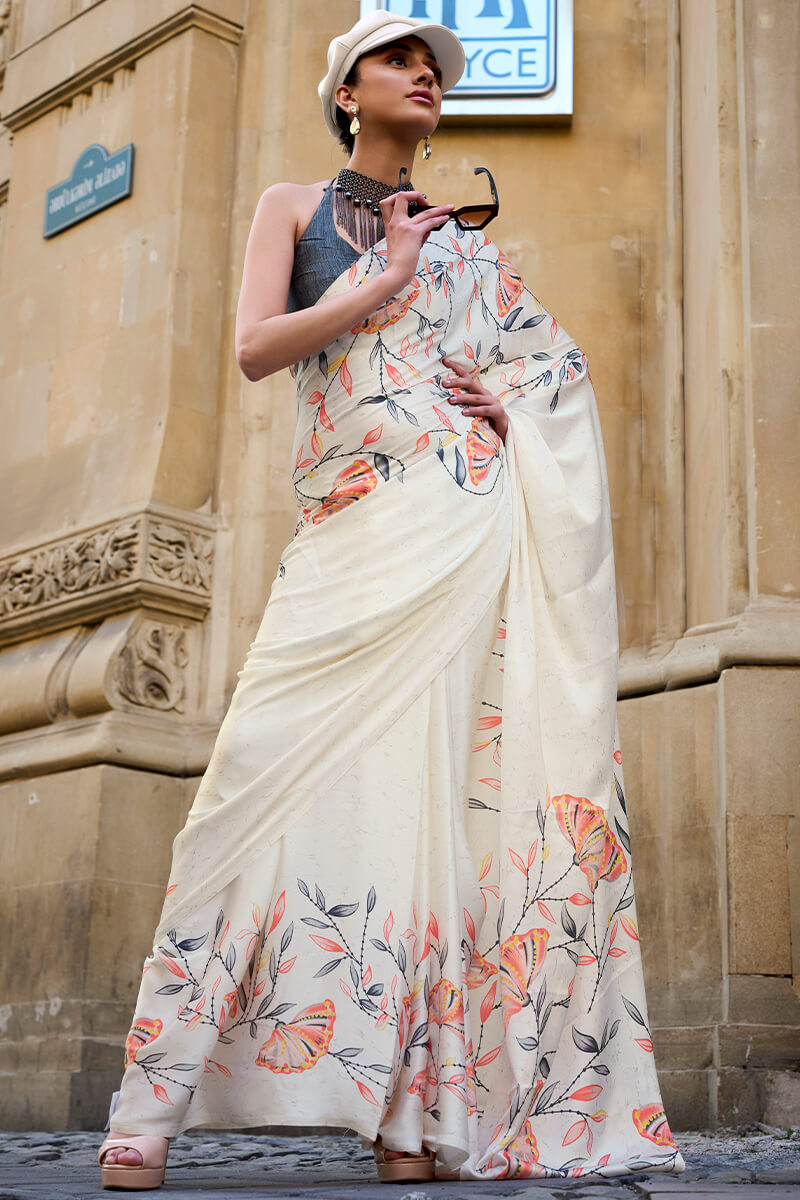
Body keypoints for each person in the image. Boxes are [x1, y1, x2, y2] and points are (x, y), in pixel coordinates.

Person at [97, 9, 685, 1189]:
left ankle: (409, 1118)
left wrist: (515, 417)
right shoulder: (294, 209)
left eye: (433, 67)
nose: (424, 76)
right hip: (347, 534)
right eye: (399, 61)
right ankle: (146, 1106)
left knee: (435, 810)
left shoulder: (467, 249)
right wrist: (385, 279)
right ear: (346, 90)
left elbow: (548, 369)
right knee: (246, 787)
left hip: (459, 526)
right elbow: (258, 349)